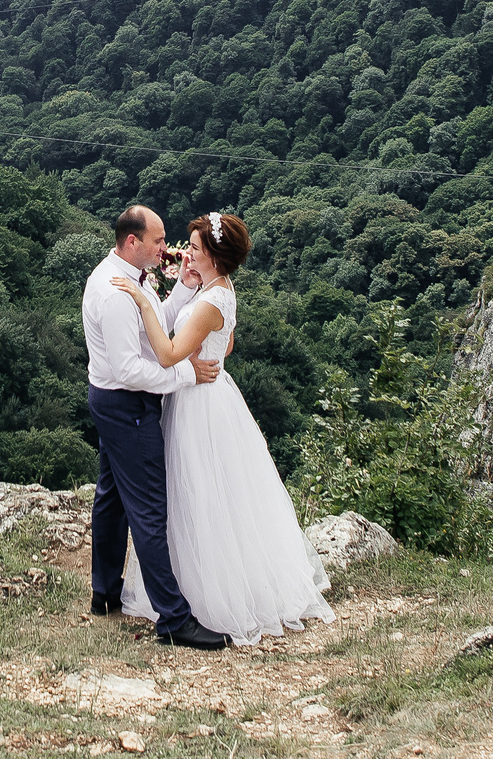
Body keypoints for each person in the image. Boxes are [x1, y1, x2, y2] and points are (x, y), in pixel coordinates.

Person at [105, 211, 337, 647]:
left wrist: (141, 301)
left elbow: (170, 353)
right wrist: (195, 312)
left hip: (199, 403)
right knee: (216, 495)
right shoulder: (219, 291)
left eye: (193, 248)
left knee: (199, 494)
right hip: (214, 393)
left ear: (212, 254)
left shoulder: (213, 300)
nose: (185, 252)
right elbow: (226, 343)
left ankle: (209, 597)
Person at [82, 205, 231, 650]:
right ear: (134, 242)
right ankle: (173, 618)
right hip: (127, 404)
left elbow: (155, 332)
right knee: (149, 509)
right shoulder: (113, 294)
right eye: (159, 241)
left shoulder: (131, 280)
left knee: (110, 499)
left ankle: (104, 593)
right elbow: (132, 368)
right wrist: (187, 375)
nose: (168, 249)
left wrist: (182, 292)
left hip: (114, 400)